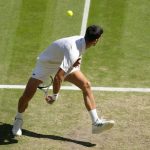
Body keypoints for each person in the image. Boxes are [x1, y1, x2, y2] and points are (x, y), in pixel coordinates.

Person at [12, 25, 115, 136]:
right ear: (96, 40)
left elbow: (65, 65)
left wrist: (72, 64)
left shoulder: (82, 42)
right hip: (45, 64)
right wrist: (55, 96)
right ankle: (18, 119)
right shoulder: (74, 51)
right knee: (27, 95)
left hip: (62, 63)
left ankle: (96, 123)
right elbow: (58, 77)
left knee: (86, 85)